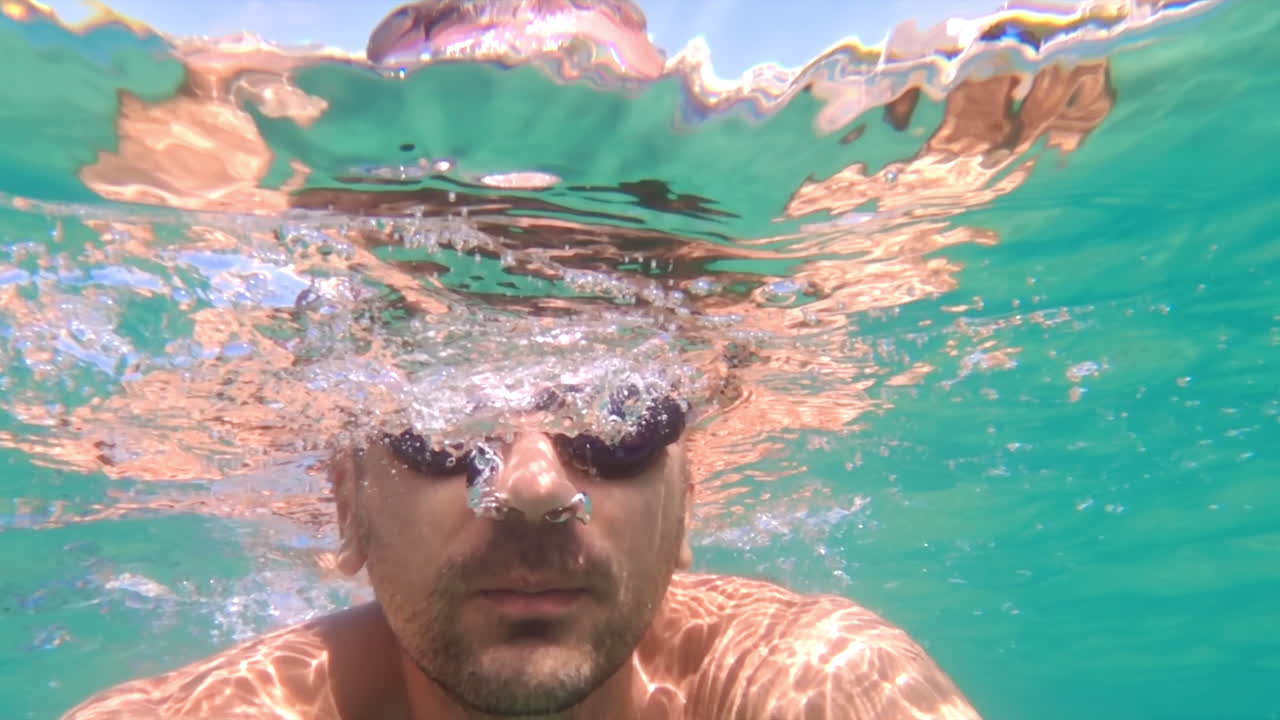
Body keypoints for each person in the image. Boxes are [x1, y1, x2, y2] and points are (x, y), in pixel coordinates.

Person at [63, 395, 981, 719]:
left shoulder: (812, 682)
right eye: (438, 424)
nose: (534, 487)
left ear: (688, 502)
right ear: (346, 504)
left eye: (618, 416)